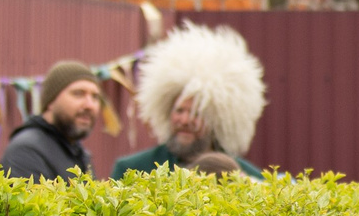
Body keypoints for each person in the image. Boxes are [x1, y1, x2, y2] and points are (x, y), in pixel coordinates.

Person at [112, 25, 266, 178]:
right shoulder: (132, 170)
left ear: (218, 121)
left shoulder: (246, 177)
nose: (185, 120)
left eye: (196, 113)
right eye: (179, 110)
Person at [0, 61, 102, 180]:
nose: (90, 105)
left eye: (95, 97)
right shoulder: (26, 151)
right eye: (78, 94)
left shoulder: (79, 153)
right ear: (51, 101)